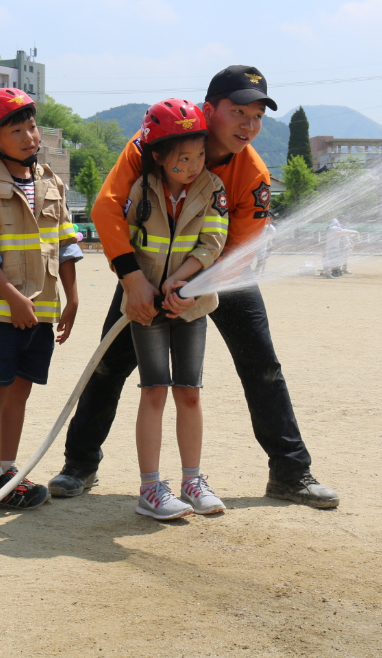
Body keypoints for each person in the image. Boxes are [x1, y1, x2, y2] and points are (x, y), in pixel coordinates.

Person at [48, 65, 339, 508]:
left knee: (262, 367)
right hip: (142, 271)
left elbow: (239, 245)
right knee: (108, 367)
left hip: (216, 272)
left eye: (258, 116)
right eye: (238, 111)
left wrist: (192, 283)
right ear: (209, 111)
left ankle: (290, 472)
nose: (249, 124)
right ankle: (79, 465)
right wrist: (133, 281)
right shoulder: (155, 140)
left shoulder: (254, 173)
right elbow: (108, 207)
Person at [0, 87, 80, 509]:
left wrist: (72, 297)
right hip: (1, 308)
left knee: (21, 389)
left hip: (43, 308)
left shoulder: (51, 182)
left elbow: (66, 243)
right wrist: (13, 297)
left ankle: (8, 469)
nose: (29, 136)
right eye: (16, 130)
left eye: (31, 126)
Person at [120, 100, 228, 520]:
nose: (195, 164)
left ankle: (192, 481)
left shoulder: (213, 189)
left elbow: (213, 243)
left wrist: (183, 279)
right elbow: (125, 242)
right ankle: (150, 489)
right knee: (153, 391)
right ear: (159, 156)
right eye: (184, 157)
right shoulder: (140, 189)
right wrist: (141, 289)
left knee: (189, 392)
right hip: (146, 305)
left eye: (200, 154)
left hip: (193, 305)